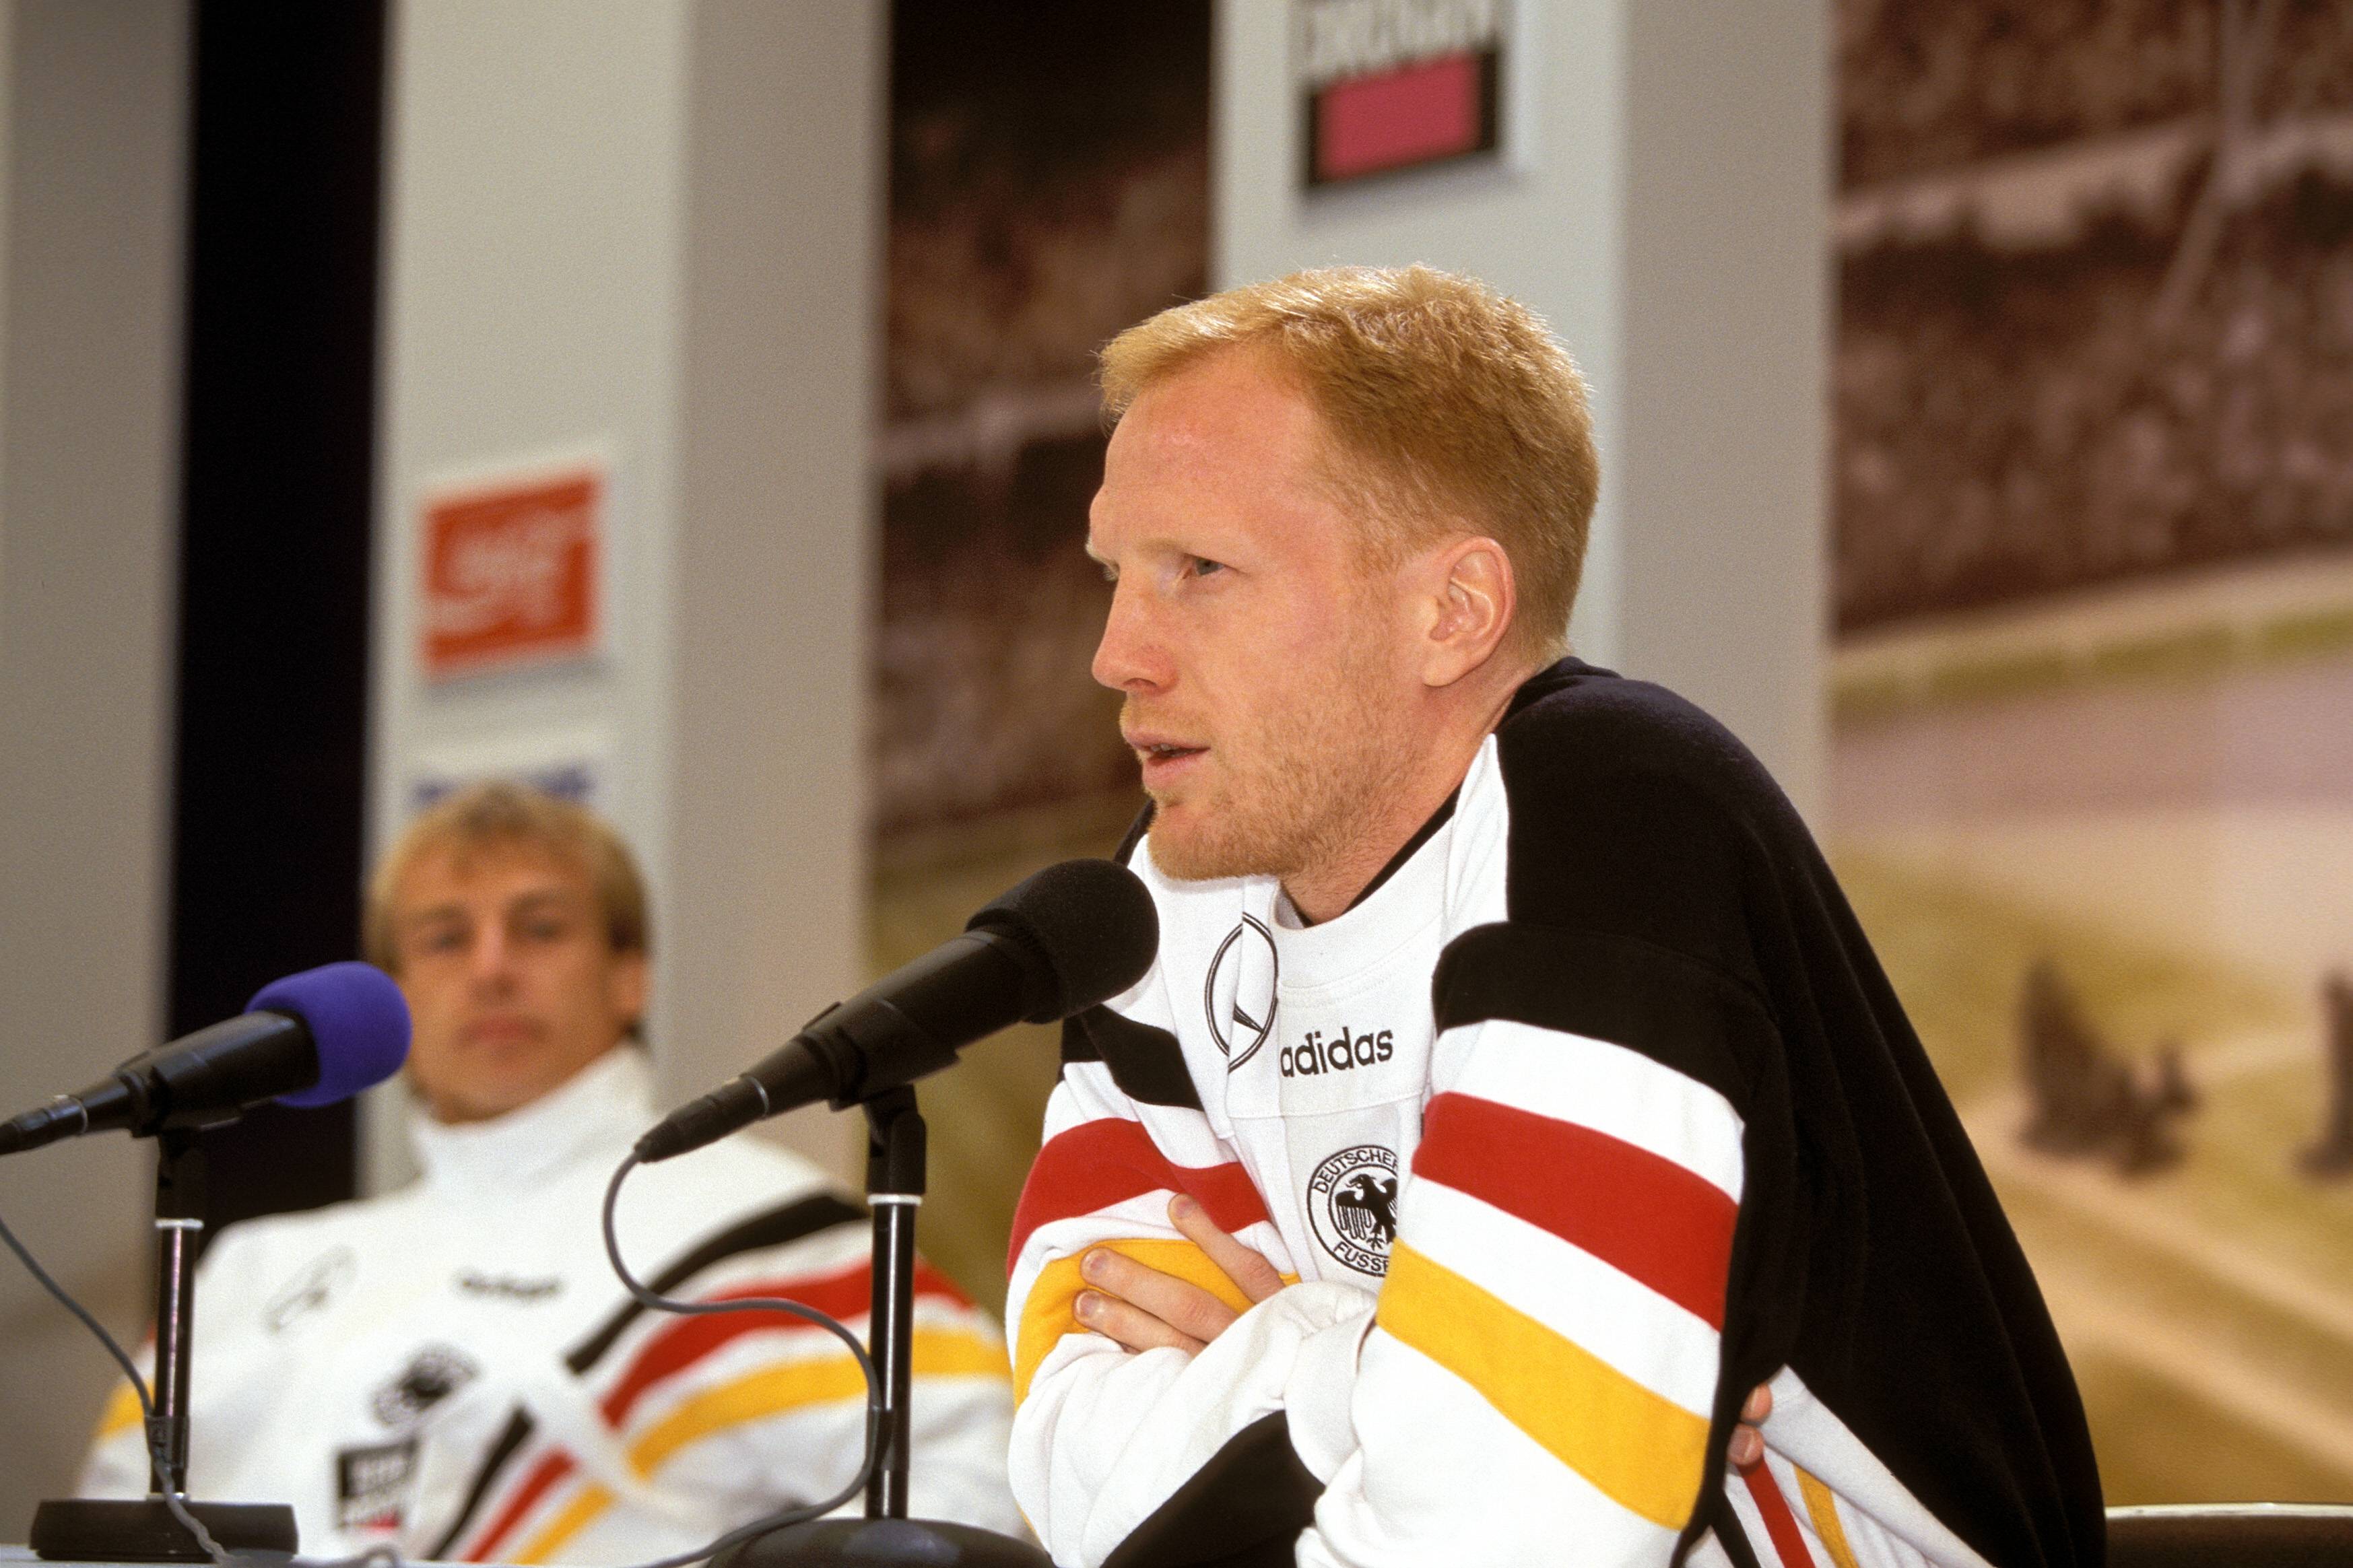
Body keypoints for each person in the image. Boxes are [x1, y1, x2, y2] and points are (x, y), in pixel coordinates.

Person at [1003, 267, 2102, 1567]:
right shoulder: (1156, 904)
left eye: (1198, 568)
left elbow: (1517, 1533)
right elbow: (1084, 1475)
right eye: (1115, 573)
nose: (1117, 652)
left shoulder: (1616, 811)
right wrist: (1379, 1364)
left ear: (1452, 611)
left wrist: (1302, 1344)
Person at [82, 782, 1024, 1561]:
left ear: (629, 976)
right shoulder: (255, 1266)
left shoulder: (760, 1230)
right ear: (392, 997)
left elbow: (979, 1498)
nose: (491, 968)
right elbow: (106, 1532)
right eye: (445, 937)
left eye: (539, 928)